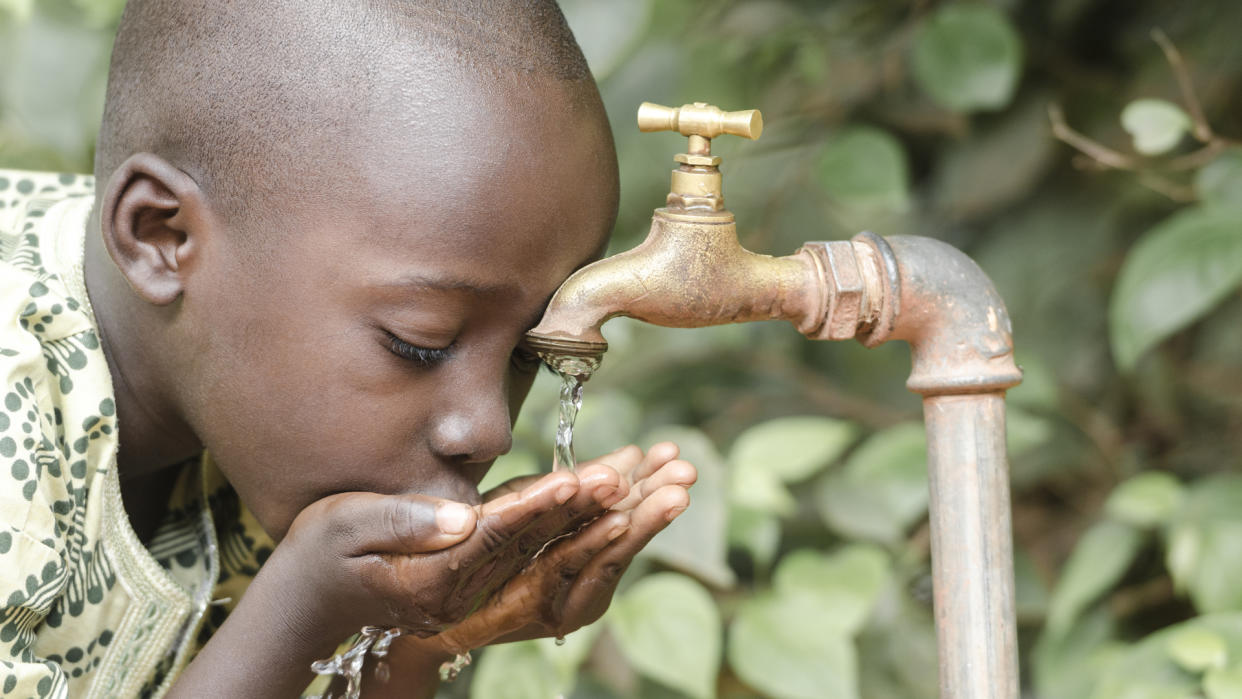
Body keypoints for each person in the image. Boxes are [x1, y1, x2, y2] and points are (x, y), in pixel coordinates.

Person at [0, 1, 698, 696]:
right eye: (418, 341)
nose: (490, 428)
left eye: (527, 354)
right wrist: (301, 608)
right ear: (161, 236)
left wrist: (428, 634)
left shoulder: (255, 408)